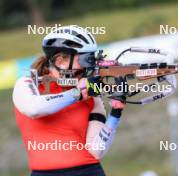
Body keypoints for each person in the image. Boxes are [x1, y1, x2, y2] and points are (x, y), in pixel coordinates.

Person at [12, 25, 124, 176]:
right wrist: (77, 93)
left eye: (92, 59)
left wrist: (116, 113)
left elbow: (97, 150)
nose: (89, 67)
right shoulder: (27, 84)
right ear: (61, 61)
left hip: (89, 171)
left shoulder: (91, 97)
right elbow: (34, 109)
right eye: (85, 60)